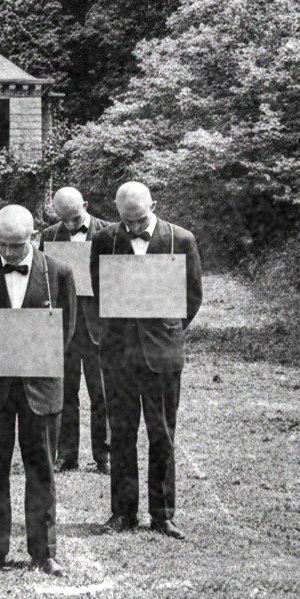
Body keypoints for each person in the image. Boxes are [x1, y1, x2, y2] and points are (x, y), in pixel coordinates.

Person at [0, 205, 76, 577]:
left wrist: (31, 359)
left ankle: (44, 552)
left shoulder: (59, 273)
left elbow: (66, 330)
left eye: (17, 245)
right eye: (2, 244)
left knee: (42, 471)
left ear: (33, 237)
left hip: (41, 387)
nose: (8, 252)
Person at [90, 181, 202, 540]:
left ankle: (162, 514)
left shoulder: (181, 239)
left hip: (161, 355)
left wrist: (165, 329)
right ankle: (123, 512)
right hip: (118, 355)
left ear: (153, 205)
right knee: (122, 434)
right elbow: (100, 290)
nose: (134, 227)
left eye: (139, 220)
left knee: (162, 434)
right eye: (127, 221)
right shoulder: (104, 240)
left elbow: (192, 297)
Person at [38, 187, 111, 474]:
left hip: (99, 328)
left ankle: (105, 455)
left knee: (102, 392)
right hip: (64, 327)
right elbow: (43, 278)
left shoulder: (109, 233)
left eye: (75, 219)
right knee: (65, 392)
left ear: (86, 205)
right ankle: (66, 455)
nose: (69, 225)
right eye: (63, 219)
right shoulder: (48, 236)